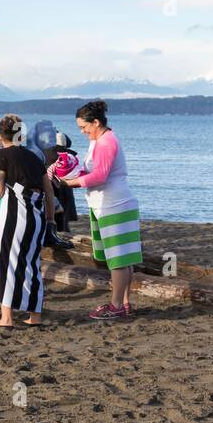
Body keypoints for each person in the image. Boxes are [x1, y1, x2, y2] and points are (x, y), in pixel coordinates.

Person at [62, 100, 142, 320]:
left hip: (113, 204)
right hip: (104, 204)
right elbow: (91, 170)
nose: (82, 131)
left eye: (84, 127)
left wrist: (68, 184)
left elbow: (100, 176)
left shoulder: (106, 142)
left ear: (96, 122)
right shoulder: (98, 140)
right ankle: (124, 303)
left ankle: (116, 305)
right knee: (122, 259)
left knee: (118, 260)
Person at [0, 114, 53, 327]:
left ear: (0, 136)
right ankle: (35, 314)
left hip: (14, 212)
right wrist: (51, 219)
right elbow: (49, 190)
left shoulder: (1, 155)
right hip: (37, 213)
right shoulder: (35, 157)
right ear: (21, 135)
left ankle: (6, 317)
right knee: (32, 263)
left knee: (6, 260)